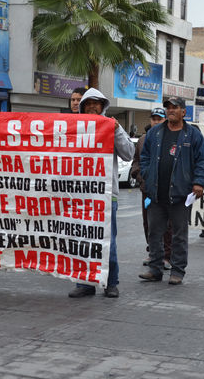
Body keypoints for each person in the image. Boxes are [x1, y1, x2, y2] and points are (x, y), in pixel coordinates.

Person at [69, 88, 135, 298]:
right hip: (79, 196)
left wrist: (116, 131)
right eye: (88, 103)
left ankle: (110, 282)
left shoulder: (112, 126)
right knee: (81, 241)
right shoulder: (73, 127)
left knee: (108, 242)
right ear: (83, 107)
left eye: (95, 103)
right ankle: (85, 283)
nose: (92, 107)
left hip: (106, 196)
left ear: (102, 106)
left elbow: (129, 153)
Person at [139, 96, 204, 285]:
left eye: (175, 107)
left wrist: (199, 182)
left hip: (180, 194)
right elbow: (144, 156)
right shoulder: (154, 133)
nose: (171, 110)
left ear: (184, 112)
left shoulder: (193, 134)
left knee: (179, 234)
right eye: (168, 107)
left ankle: (177, 271)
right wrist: (147, 174)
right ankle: (155, 269)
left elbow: (202, 160)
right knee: (154, 232)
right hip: (156, 194)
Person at [130, 107, 172, 270]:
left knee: (167, 225)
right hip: (147, 190)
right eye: (153, 119)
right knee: (148, 222)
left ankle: (167, 256)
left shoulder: (171, 137)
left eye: (159, 119)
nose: (156, 122)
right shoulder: (142, 139)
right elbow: (136, 162)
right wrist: (140, 177)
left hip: (166, 191)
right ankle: (153, 252)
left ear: (165, 120)